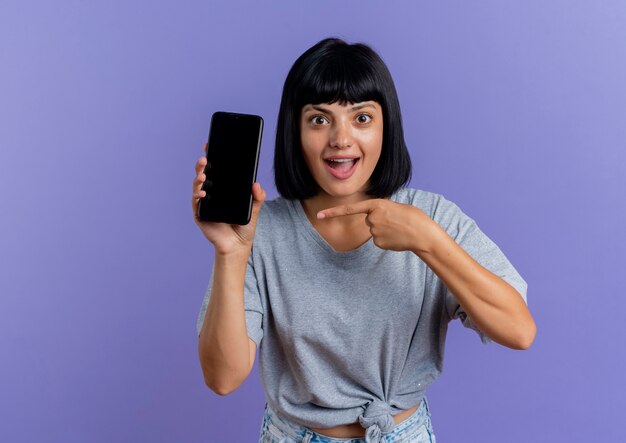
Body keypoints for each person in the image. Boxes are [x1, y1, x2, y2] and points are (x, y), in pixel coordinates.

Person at [192, 37, 536, 443]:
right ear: (294, 132)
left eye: (362, 118)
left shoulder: (432, 218)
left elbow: (519, 331)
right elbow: (223, 378)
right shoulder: (260, 230)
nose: (341, 138)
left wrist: (428, 241)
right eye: (319, 119)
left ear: (386, 126)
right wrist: (230, 252)